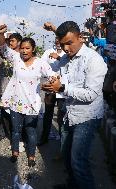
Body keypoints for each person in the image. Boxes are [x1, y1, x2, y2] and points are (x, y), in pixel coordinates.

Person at [42, 21, 107, 189]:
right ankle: (72, 184)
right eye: (62, 44)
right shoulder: (66, 57)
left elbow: (91, 94)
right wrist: (51, 84)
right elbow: (53, 69)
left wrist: (62, 87)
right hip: (69, 113)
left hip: (87, 116)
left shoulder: (94, 60)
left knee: (78, 160)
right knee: (67, 156)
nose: (66, 48)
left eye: (69, 43)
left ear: (81, 38)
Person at [0, 25, 57, 167]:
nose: (24, 51)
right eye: (22, 48)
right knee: (16, 130)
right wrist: (1, 34)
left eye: (27, 48)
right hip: (16, 102)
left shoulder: (40, 63)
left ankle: (31, 156)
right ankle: (15, 152)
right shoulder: (16, 58)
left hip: (32, 104)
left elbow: (53, 76)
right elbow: (3, 48)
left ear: (33, 49)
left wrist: (52, 85)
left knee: (31, 132)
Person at [0, 25, 23, 141]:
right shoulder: (10, 54)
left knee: (18, 114)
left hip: (19, 91)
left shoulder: (24, 56)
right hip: (5, 88)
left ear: (19, 42)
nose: (10, 43)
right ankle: (8, 135)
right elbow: (2, 47)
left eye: (12, 41)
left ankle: (19, 137)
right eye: (9, 41)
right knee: (5, 113)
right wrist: (1, 34)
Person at [38, 38, 66, 146]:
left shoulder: (66, 52)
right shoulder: (48, 51)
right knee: (48, 114)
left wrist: (58, 57)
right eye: (56, 40)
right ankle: (44, 138)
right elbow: (41, 64)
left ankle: (62, 141)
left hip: (63, 88)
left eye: (60, 40)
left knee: (61, 115)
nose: (58, 42)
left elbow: (69, 64)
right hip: (51, 86)